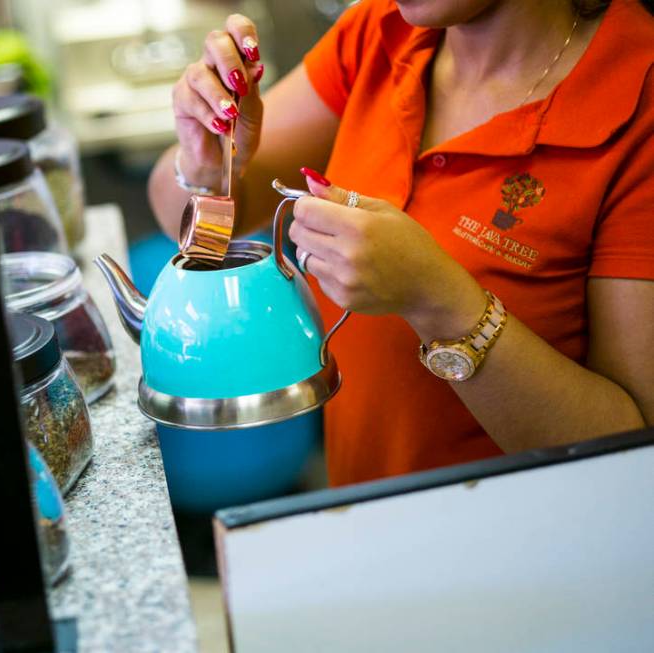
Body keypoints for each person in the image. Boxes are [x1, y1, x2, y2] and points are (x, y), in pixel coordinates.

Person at [148, 0, 654, 486]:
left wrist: (438, 300)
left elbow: (632, 464)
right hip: (366, 515)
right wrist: (208, 167)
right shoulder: (382, 30)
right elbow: (185, 217)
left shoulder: (637, 95)